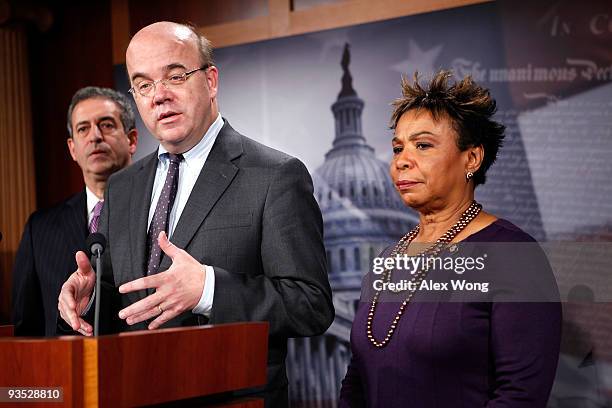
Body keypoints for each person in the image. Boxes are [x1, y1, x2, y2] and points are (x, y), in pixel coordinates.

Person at [57, 22, 334, 406]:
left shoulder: (275, 176)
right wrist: (89, 299)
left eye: (174, 76)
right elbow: (125, 296)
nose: (159, 96)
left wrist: (207, 289)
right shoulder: (122, 187)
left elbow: (310, 305)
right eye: (144, 84)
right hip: (134, 394)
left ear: (211, 80)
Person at [339, 71, 562, 407]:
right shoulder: (386, 261)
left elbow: (520, 396)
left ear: (471, 158)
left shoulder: (514, 257)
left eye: (423, 145)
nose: (402, 160)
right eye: (398, 147)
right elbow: (358, 381)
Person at [12, 86, 138, 336]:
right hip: (64, 368)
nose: (95, 137)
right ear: (72, 148)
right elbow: (27, 326)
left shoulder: (159, 213)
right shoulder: (40, 228)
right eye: (83, 129)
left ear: (132, 139)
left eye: (107, 125)